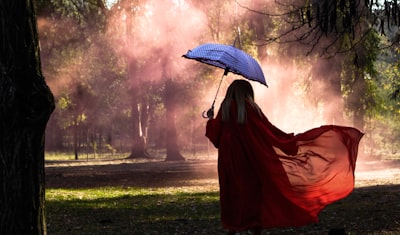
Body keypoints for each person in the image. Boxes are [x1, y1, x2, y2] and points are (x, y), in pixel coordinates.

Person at [205, 79, 363, 235]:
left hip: (229, 162)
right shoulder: (251, 109)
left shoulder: (225, 109)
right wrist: (287, 141)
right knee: (253, 192)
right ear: (247, 92)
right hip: (251, 161)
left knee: (231, 192)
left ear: (230, 91)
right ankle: (255, 228)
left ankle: (233, 228)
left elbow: (216, 137)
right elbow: (268, 131)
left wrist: (211, 119)